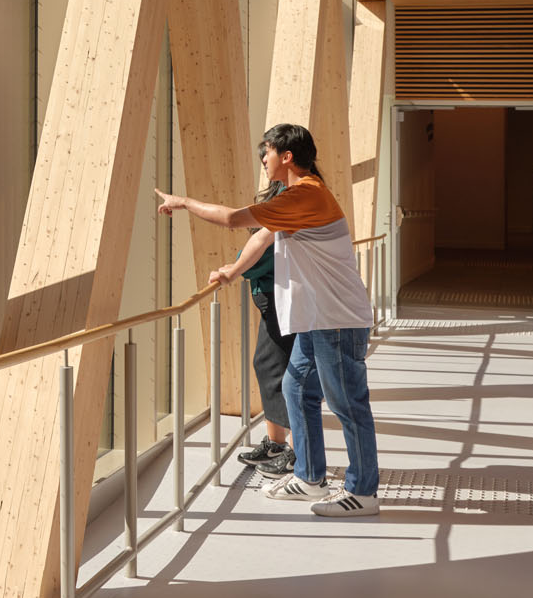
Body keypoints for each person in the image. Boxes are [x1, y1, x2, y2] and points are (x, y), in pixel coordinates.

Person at [158, 122, 381, 517]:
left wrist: (184, 202)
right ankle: (310, 478)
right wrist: (231, 272)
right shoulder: (294, 196)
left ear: (287, 156)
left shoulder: (307, 195)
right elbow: (261, 236)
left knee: (348, 404)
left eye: (268, 152)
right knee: (295, 388)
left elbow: (232, 219)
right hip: (317, 321)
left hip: (338, 320)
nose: (263, 159)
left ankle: (363, 492)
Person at [214, 187, 298, 482]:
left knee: (273, 368)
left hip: (278, 303)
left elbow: (253, 262)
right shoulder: (279, 222)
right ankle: (277, 444)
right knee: (269, 366)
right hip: (277, 303)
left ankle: (292, 451)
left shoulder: (274, 231)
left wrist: (235, 268)